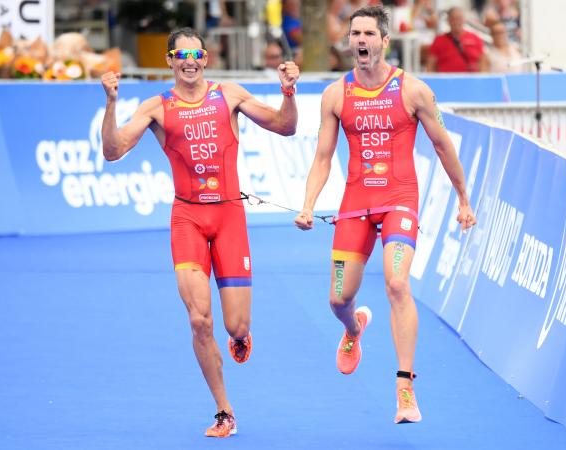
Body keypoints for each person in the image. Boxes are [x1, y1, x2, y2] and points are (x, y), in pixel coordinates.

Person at [100, 27, 299, 437]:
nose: (189, 61)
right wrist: (111, 104)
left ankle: (241, 337)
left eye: (196, 54)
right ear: (170, 60)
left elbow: (284, 126)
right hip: (187, 220)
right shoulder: (157, 107)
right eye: (180, 54)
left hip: (229, 218)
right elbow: (113, 150)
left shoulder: (230, 95)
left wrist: (289, 94)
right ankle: (224, 411)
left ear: (206, 59)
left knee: (235, 326)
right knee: (198, 320)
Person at [293, 6, 476, 424]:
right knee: (338, 299)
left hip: (399, 201)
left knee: (397, 283)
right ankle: (354, 328)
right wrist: (307, 203)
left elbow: (444, 146)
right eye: (355, 33)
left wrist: (463, 198)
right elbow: (322, 157)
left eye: (369, 34)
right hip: (356, 204)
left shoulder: (414, 91)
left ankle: (405, 387)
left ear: (384, 41)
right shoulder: (336, 95)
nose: (361, 40)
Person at [426, 7, 485, 72]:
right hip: (445, 80)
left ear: (464, 20)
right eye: (453, 19)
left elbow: (483, 62)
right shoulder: (439, 40)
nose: (456, 22)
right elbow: (430, 65)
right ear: (448, 21)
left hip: (470, 79)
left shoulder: (475, 38)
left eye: (459, 18)